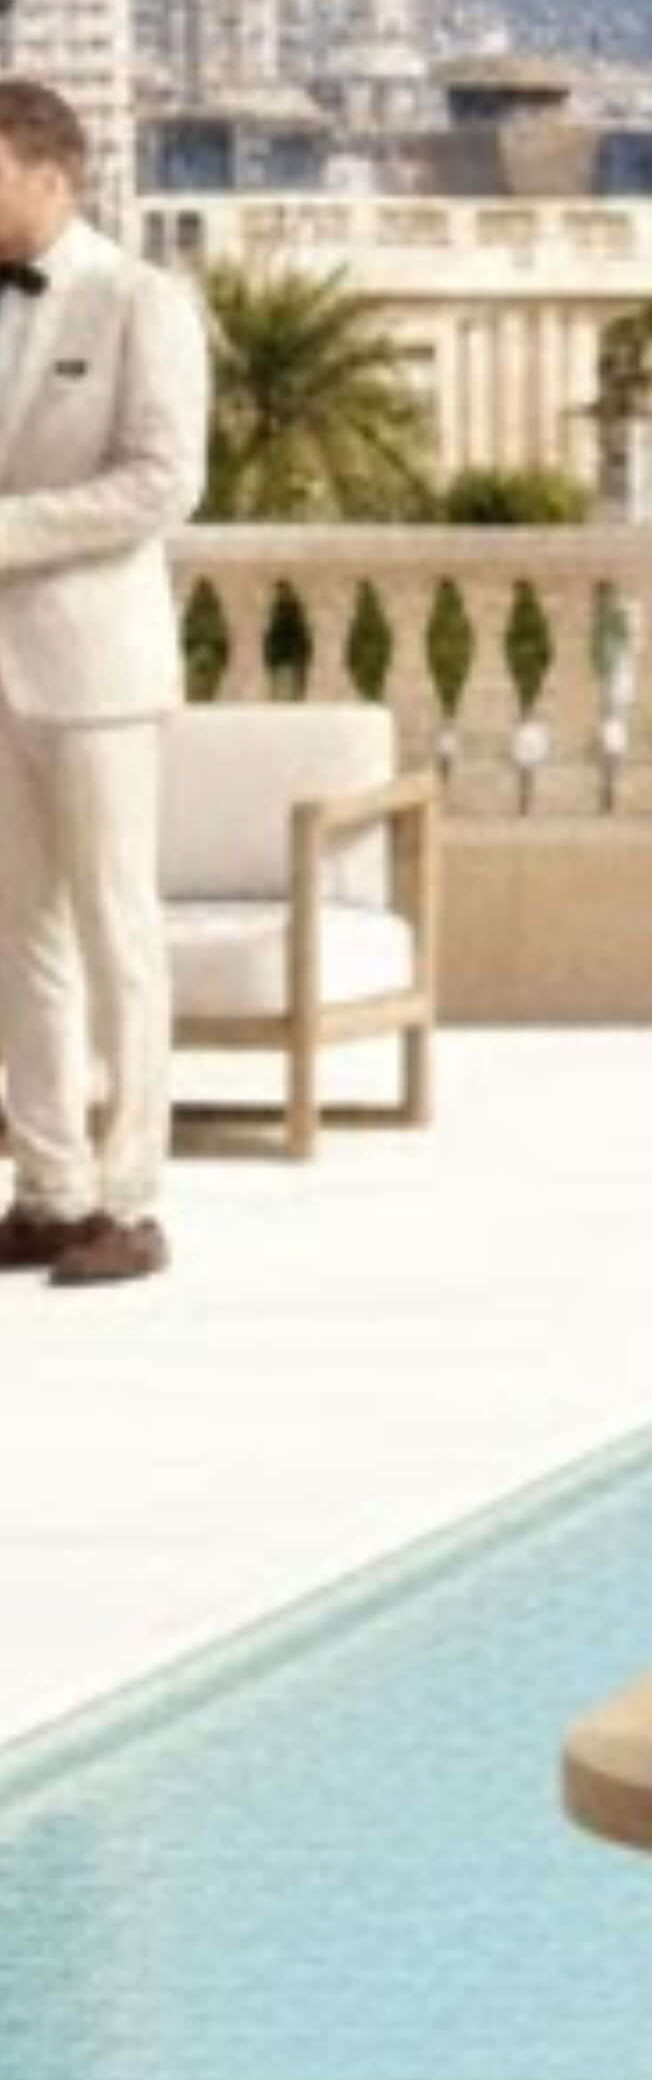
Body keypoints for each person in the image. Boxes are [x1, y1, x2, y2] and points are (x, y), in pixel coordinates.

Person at [0, 76, 213, 1287]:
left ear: (51, 173)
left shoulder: (140, 299)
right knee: (16, 935)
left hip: (95, 669)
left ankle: (129, 1199)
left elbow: (162, 480)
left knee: (117, 930)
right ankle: (48, 1188)